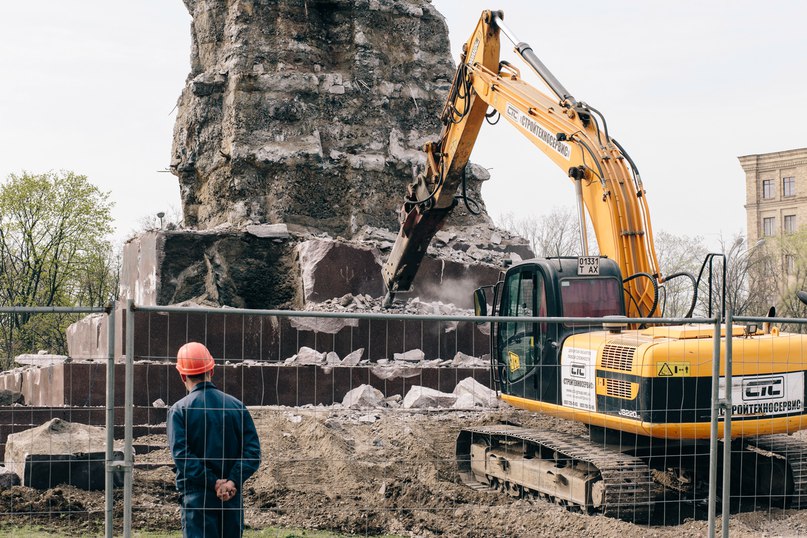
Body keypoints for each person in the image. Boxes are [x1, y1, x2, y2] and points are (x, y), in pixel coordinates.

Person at [167, 342, 261, 537]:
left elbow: (182, 456)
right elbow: (252, 452)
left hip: (197, 497)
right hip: (231, 496)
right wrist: (232, 481)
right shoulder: (236, 407)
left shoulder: (179, 411)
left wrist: (213, 482)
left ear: (182, 375)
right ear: (212, 370)